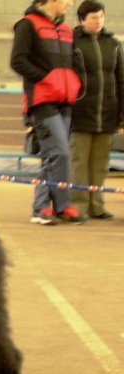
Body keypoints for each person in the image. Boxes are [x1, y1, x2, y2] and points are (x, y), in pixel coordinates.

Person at [11, 0, 85, 226]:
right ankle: (46, 207)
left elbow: (72, 62)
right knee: (59, 153)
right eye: (66, 0)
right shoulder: (27, 25)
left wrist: (75, 83)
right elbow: (18, 61)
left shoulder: (66, 29)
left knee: (53, 155)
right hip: (42, 100)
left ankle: (55, 207)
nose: (70, 4)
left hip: (65, 100)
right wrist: (46, 78)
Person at [70, 0, 124, 221]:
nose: (98, 21)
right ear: (82, 20)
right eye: (93, 17)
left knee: (100, 163)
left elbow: (121, 79)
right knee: (79, 162)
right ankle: (79, 206)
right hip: (80, 112)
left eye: (100, 17)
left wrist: (121, 115)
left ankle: (97, 205)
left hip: (108, 114)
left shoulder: (114, 44)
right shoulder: (71, 43)